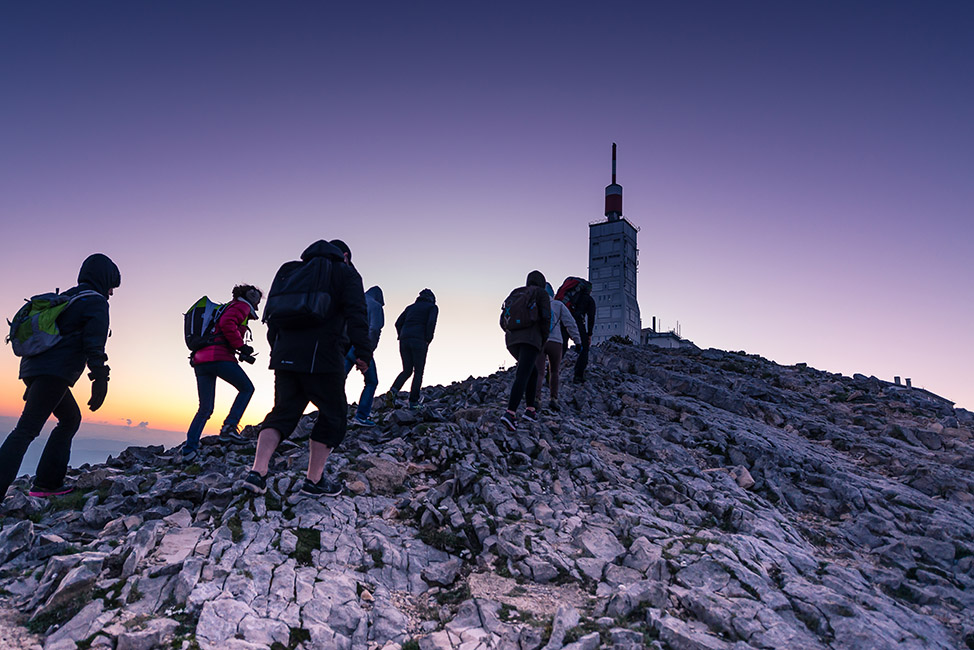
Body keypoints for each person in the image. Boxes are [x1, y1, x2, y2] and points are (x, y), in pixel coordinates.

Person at [242, 240, 371, 497]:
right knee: (333, 414)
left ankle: (257, 473)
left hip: (284, 355)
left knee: (283, 413)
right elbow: (358, 314)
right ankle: (314, 480)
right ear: (344, 255)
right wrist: (363, 352)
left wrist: (277, 351)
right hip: (323, 355)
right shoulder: (346, 273)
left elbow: (274, 317)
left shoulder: (292, 272)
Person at [0, 253, 121, 499]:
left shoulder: (69, 297)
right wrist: (100, 378)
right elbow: (94, 344)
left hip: (36, 369)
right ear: (103, 279)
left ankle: (47, 483)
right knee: (26, 430)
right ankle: (42, 484)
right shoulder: (96, 302)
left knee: (70, 419)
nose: (111, 292)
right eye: (111, 285)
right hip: (53, 374)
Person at [182, 285, 262, 463]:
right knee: (247, 388)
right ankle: (229, 428)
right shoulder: (241, 307)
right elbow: (227, 324)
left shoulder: (226, 307)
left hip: (201, 360)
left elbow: (222, 327)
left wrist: (239, 349)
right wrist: (241, 346)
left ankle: (189, 451)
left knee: (205, 408)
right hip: (218, 357)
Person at [500, 270, 551, 431]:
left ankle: (530, 410)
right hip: (530, 339)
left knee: (532, 372)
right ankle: (510, 413)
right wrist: (543, 339)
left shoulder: (516, 292)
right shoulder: (541, 293)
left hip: (511, 340)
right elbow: (546, 317)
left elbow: (503, 321)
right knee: (523, 374)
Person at [388, 289, 438, 409]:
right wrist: (428, 339)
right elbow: (431, 323)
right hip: (419, 341)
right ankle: (413, 402)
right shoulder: (432, 307)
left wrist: (402, 335)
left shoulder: (410, 308)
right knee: (418, 371)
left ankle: (393, 391)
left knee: (407, 370)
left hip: (404, 340)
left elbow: (397, 323)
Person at [536, 283, 581, 412]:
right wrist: (577, 341)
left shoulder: (536, 304)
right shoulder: (558, 305)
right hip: (556, 342)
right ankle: (553, 399)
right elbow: (570, 323)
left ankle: (536, 399)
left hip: (540, 341)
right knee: (554, 371)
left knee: (539, 372)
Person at [345, 286, 384, 427]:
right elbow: (374, 329)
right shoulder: (375, 306)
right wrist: (367, 352)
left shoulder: (354, 301)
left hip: (344, 346)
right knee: (371, 381)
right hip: (360, 348)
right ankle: (361, 416)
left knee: (337, 381)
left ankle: (334, 416)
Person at [569, 283, 596, 383]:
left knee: (561, 347)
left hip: (565, 321)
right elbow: (591, 318)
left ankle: (550, 373)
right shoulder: (589, 300)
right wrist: (589, 334)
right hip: (578, 323)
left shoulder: (573, 297)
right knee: (585, 349)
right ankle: (578, 375)